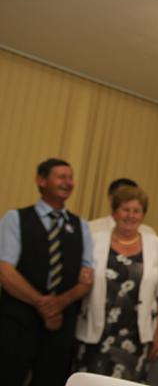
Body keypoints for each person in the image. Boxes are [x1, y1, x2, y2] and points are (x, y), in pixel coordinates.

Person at [0, 158, 94, 386]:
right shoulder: (15, 219)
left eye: (71, 178)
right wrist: (43, 304)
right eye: (61, 177)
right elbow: (5, 270)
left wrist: (58, 304)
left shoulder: (81, 226)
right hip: (17, 324)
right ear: (41, 181)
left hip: (60, 328)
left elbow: (87, 278)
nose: (68, 182)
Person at [75, 186, 158, 382]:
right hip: (96, 333)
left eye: (136, 211)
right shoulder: (94, 240)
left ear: (143, 214)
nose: (131, 216)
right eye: (125, 209)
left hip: (136, 337)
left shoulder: (157, 245)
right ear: (114, 212)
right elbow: (80, 279)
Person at [88, 178, 155, 235]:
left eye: (136, 211)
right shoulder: (92, 228)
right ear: (111, 199)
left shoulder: (148, 233)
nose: (130, 215)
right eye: (126, 209)